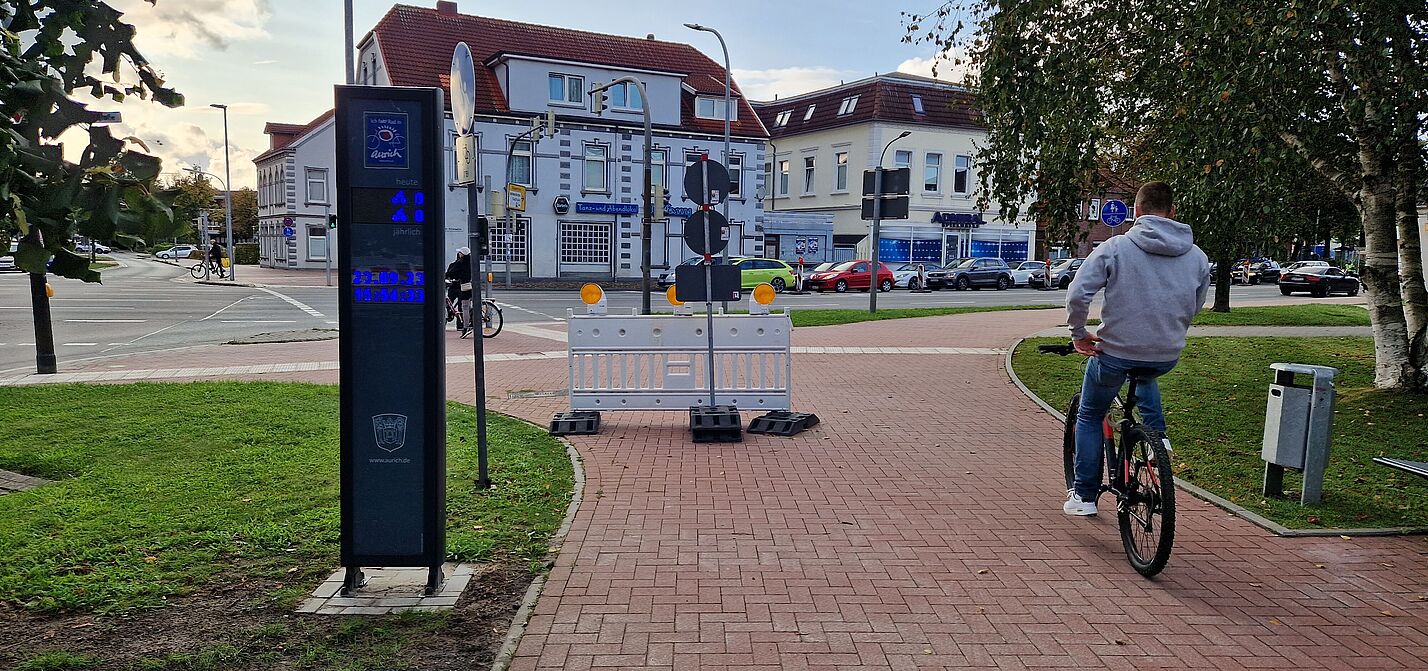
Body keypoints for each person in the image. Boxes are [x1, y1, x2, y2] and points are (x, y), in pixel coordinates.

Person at [1062, 181, 1210, 516]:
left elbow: (1077, 294)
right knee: (1145, 377)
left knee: (1089, 413)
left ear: (1137, 211)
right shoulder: (1198, 256)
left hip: (1115, 352)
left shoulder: (1116, 248)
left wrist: (1079, 333)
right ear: (1172, 212)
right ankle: (1158, 440)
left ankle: (1084, 496)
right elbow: (1196, 304)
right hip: (1165, 354)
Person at [445, 247, 473, 328]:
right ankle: (460, 325)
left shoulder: (457, 264)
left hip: (456, 286)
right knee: (462, 306)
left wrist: (444, 276)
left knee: (451, 303)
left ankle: (450, 316)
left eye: (460, 253)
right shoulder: (470, 264)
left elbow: (450, 273)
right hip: (464, 287)